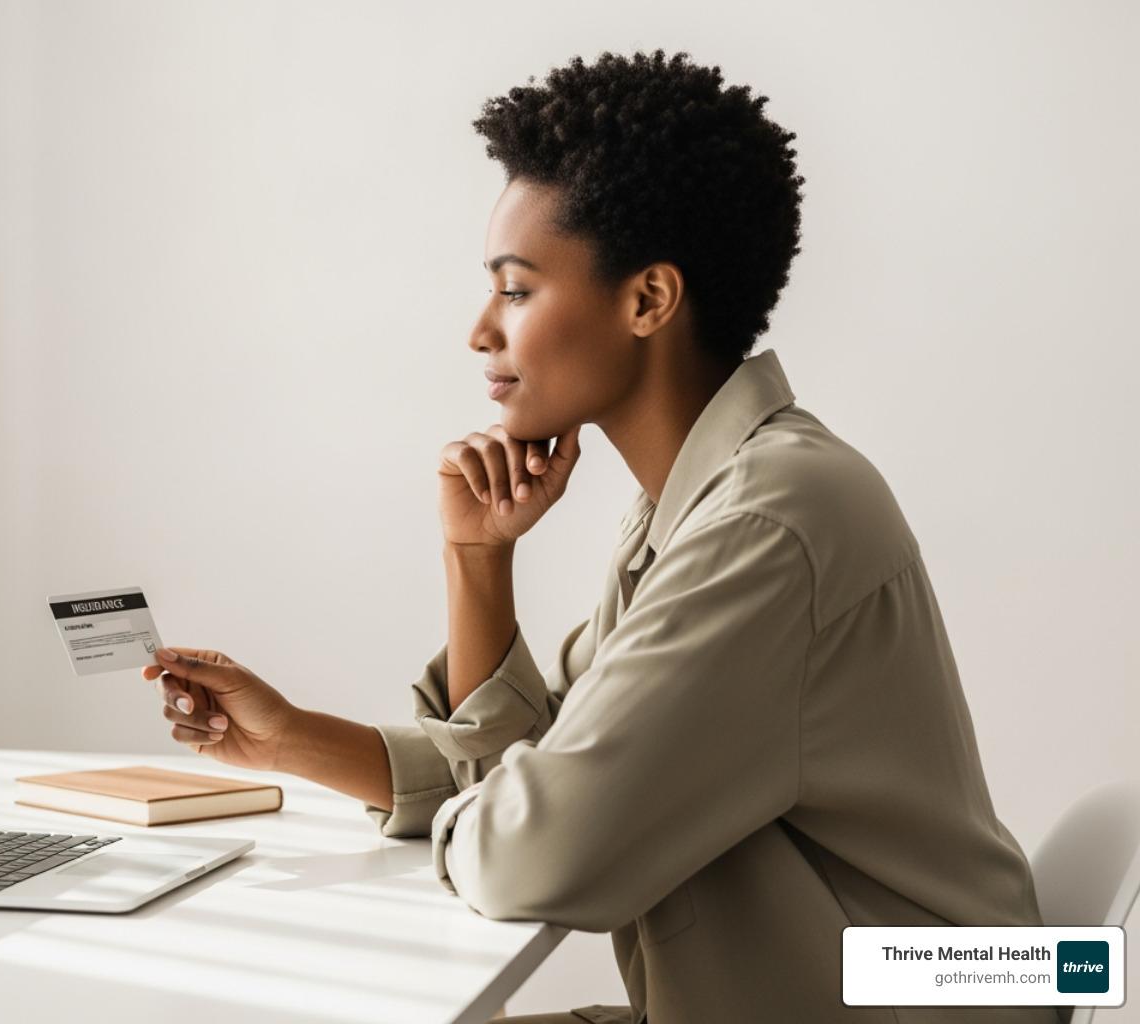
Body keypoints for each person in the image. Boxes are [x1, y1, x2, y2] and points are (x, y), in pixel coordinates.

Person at [143, 51, 1053, 1024]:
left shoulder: (769, 522)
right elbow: (541, 758)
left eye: (518, 289)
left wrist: (489, 811)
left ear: (648, 300)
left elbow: (542, 849)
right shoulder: (695, 505)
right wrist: (470, 565)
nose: (480, 331)